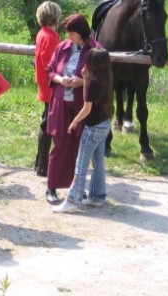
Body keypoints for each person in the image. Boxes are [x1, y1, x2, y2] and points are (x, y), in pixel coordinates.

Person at [45, 14, 99, 205]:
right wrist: (60, 79)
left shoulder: (95, 51)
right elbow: (50, 70)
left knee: (78, 147)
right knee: (60, 145)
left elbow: (101, 78)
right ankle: (51, 187)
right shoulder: (62, 47)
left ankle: (75, 187)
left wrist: (81, 82)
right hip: (60, 104)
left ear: (82, 33)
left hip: (80, 106)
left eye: (72, 34)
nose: (69, 37)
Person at [55, 48, 113, 213]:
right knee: (98, 163)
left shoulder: (93, 83)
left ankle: (73, 199)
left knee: (81, 164)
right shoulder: (107, 78)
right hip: (104, 124)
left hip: (93, 127)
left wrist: (74, 121)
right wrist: (86, 77)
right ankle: (97, 196)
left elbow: (87, 108)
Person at [34, 1, 62, 177]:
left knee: (47, 123)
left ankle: (40, 163)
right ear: (55, 16)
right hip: (51, 87)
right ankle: (43, 165)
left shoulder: (44, 34)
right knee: (48, 125)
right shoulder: (50, 37)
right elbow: (50, 65)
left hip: (47, 85)